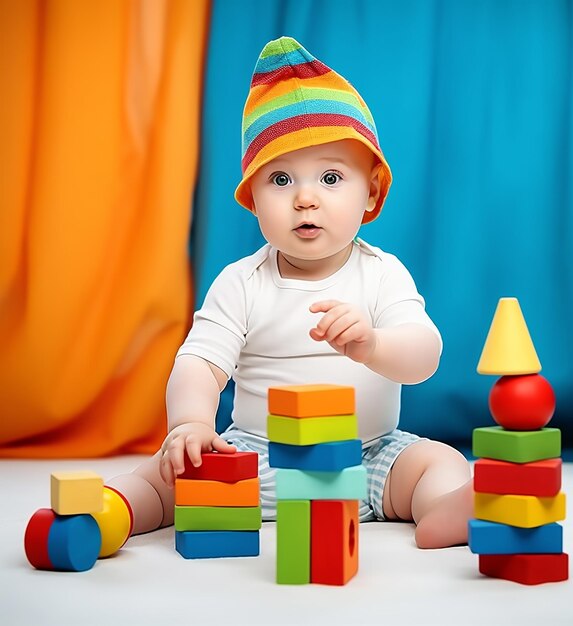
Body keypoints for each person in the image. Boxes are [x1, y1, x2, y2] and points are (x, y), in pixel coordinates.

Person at [107, 36, 473, 550]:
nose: (305, 198)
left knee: (438, 461)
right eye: (280, 179)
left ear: (370, 191)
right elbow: (199, 364)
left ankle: (441, 510)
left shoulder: (382, 274)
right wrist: (189, 424)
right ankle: (110, 511)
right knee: (166, 474)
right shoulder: (242, 282)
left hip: (369, 456)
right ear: (252, 198)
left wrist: (373, 345)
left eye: (329, 177)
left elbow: (424, 355)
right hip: (254, 459)